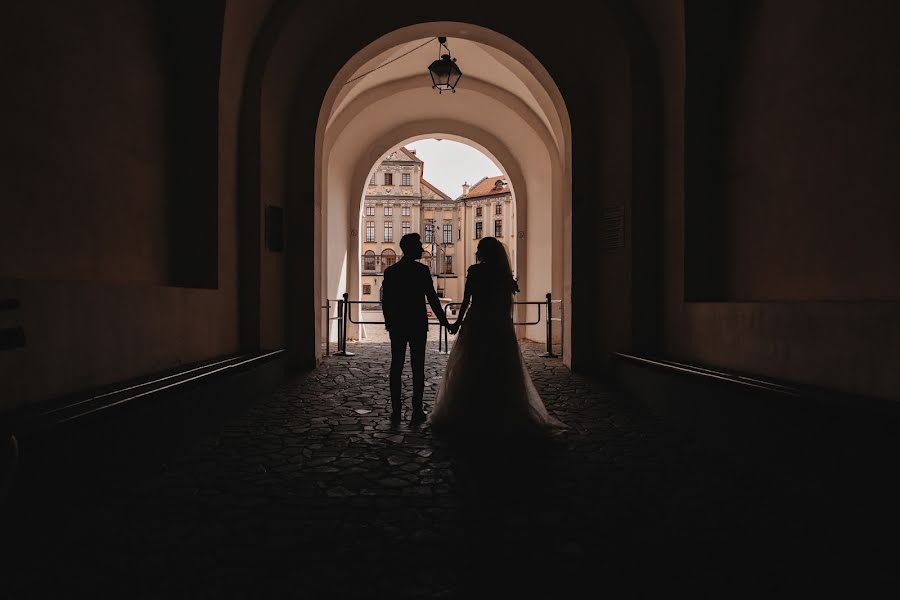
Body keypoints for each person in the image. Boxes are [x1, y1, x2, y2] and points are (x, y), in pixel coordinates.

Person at [429, 237, 566, 437]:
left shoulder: (475, 271)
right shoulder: (503, 274)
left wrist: (457, 323)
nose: (476, 251)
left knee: (472, 364)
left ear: (483, 252)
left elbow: (467, 301)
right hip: (498, 324)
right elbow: (506, 301)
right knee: (501, 366)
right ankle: (502, 410)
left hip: (477, 323)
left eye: (478, 249)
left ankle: (471, 410)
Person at [381, 233, 452, 424]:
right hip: (417, 324)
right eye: (419, 245)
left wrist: (389, 322)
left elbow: (386, 301)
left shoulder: (391, 272)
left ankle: (396, 410)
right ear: (411, 248)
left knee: (396, 366)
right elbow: (432, 299)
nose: (422, 249)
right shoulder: (422, 271)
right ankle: (417, 408)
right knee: (417, 366)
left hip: (398, 325)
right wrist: (444, 322)